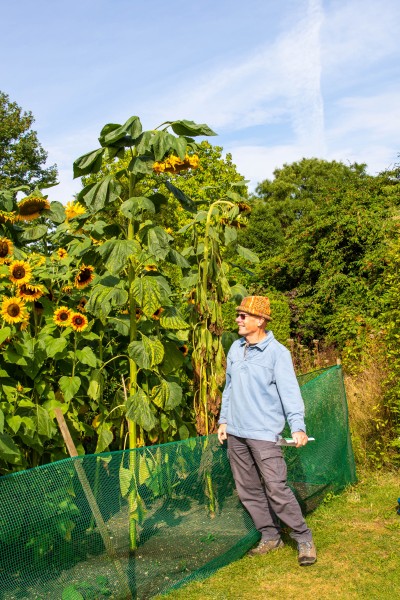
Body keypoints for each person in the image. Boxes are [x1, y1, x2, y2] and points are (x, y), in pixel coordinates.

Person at [217, 295, 317, 566]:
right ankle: (270, 536)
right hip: (236, 433)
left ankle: (303, 537)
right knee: (247, 488)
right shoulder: (236, 349)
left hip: (264, 435)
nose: (238, 320)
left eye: (243, 316)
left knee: (275, 487)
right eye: (238, 315)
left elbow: (290, 393)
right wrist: (224, 420)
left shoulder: (278, 354)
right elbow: (229, 389)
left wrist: (298, 426)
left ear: (259, 321)